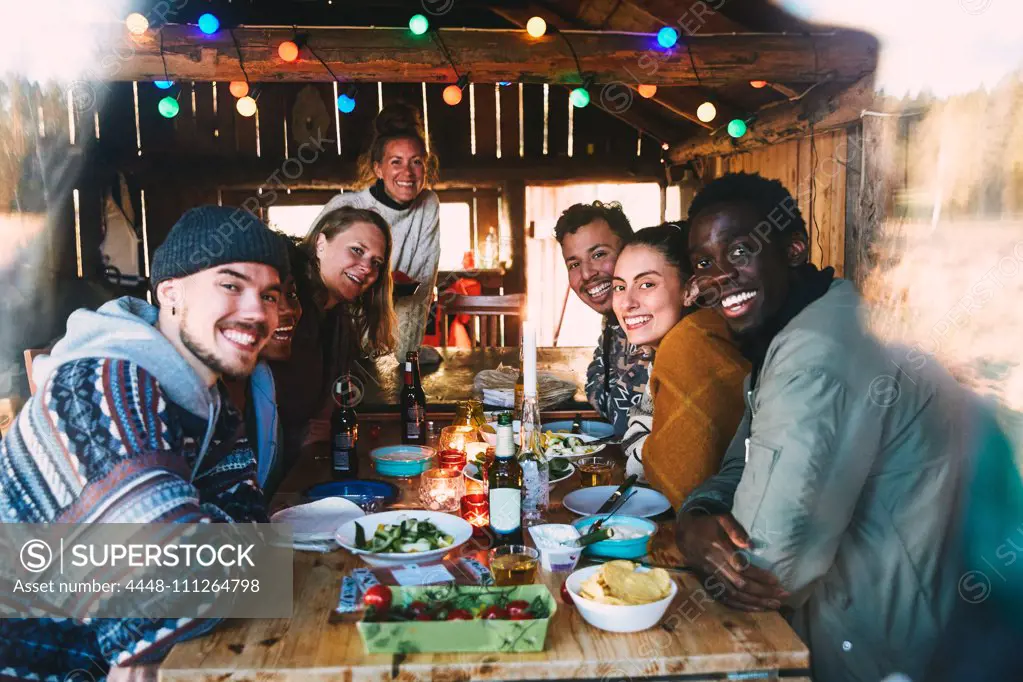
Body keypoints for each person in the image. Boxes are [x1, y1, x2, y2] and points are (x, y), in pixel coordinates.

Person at [674, 172, 975, 682]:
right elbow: (740, 460)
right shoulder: (809, 319)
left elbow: (763, 570)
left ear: (793, 249)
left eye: (740, 251)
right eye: (704, 262)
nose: (719, 275)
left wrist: (690, 537)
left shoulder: (815, 357)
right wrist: (699, 513)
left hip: (879, 648)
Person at [0, 206, 289, 677]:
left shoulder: (210, 401)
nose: (258, 312)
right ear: (170, 293)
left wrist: (192, 537)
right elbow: (164, 593)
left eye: (271, 295)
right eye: (232, 285)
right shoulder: (99, 385)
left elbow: (252, 531)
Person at [612, 224, 749, 508]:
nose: (627, 303)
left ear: (690, 290)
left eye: (647, 284)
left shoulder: (691, 346)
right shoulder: (676, 342)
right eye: (620, 287)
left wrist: (644, 448)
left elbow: (670, 476)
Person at [310, 102, 439, 360]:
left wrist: (406, 356)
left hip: (390, 350)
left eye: (416, 162)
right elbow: (310, 275)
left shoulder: (428, 204)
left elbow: (421, 290)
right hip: (333, 345)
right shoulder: (346, 206)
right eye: (396, 162)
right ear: (378, 168)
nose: (408, 173)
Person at [274, 206, 396, 453]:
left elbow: (337, 386)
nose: (367, 269)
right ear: (320, 243)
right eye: (357, 251)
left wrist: (326, 421)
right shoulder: (287, 309)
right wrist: (295, 436)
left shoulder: (338, 317)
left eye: (376, 262)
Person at [555, 201, 650, 436]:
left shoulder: (649, 319)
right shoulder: (615, 321)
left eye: (599, 254)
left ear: (628, 251)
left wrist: (606, 393)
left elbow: (625, 419)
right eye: (574, 264)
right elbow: (596, 373)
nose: (587, 274)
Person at [224, 236, 305, 499]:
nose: (287, 310)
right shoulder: (148, 394)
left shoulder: (261, 380)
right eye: (267, 296)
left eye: (290, 294)